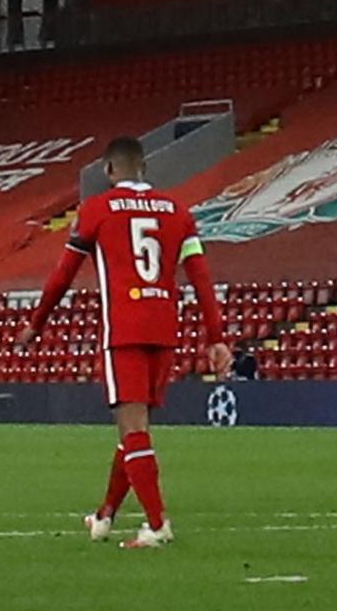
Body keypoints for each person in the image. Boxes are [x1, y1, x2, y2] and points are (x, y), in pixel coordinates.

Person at [14, 137, 230, 549]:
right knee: (135, 430)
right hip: (165, 331)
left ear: (108, 170)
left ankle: (156, 524)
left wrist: (36, 323)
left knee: (133, 431)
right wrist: (216, 337)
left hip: (124, 332)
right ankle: (104, 517)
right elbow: (200, 276)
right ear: (143, 167)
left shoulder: (96, 209)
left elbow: (62, 275)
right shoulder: (178, 211)